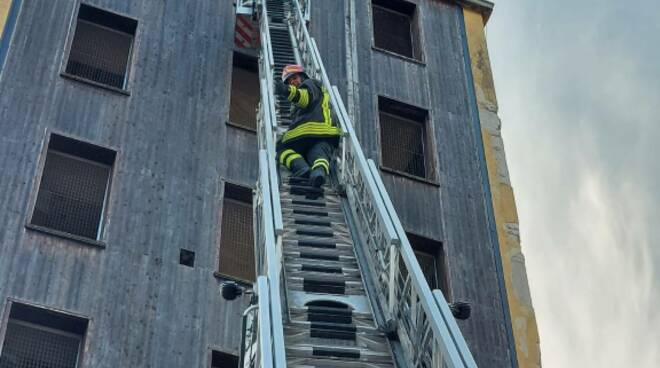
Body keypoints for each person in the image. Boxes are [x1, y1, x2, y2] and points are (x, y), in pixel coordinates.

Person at [274, 64, 341, 188]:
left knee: (281, 148)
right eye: (289, 82)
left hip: (306, 131)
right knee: (319, 152)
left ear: (303, 77)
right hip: (325, 133)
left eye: (294, 78)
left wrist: (285, 90)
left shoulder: (310, 83)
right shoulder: (318, 89)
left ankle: (301, 168)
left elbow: (305, 98)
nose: (293, 82)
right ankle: (318, 173)